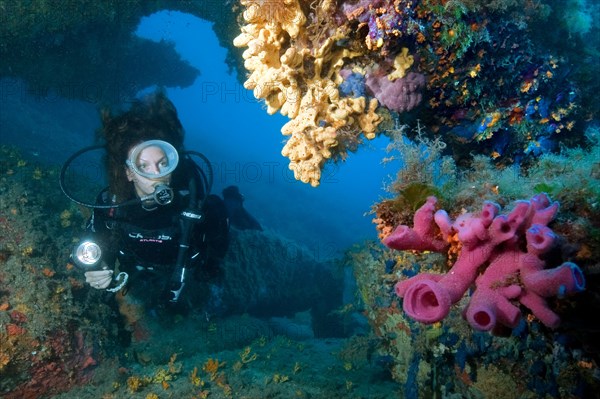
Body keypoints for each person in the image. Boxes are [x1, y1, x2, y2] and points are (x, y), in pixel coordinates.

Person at [70, 91, 229, 341]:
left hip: (183, 270)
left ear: (172, 164)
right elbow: (89, 247)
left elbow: (217, 250)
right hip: (137, 266)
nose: (156, 174)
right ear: (129, 173)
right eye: (144, 166)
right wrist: (97, 268)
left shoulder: (197, 205)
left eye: (162, 163)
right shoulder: (111, 206)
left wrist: (210, 266)